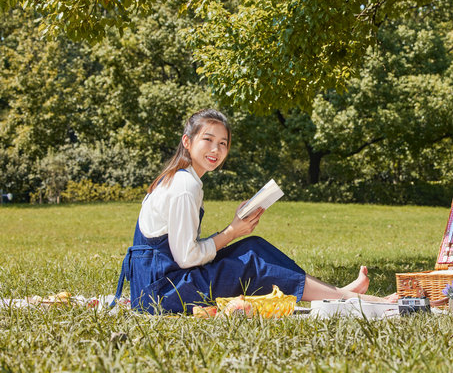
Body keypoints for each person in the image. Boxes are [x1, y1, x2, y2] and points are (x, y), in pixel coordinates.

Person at [112, 109, 398, 313]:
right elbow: (187, 258)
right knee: (252, 257)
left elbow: (181, 253)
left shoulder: (179, 178)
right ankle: (344, 296)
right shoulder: (185, 185)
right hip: (160, 295)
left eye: (223, 143)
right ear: (187, 142)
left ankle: (337, 294)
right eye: (208, 140)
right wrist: (232, 231)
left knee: (252, 247)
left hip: (155, 287)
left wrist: (235, 232)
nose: (216, 149)